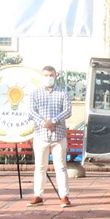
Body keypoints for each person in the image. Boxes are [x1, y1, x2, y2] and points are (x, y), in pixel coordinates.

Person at [28, 66, 72, 207]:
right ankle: (38, 195)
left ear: (56, 76)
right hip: (41, 136)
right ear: (42, 76)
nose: (48, 78)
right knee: (40, 167)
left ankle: (64, 196)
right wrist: (44, 123)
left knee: (61, 168)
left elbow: (67, 111)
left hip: (58, 136)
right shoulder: (35, 93)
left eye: (51, 75)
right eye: (46, 75)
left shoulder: (63, 93)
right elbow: (31, 112)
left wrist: (53, 121)